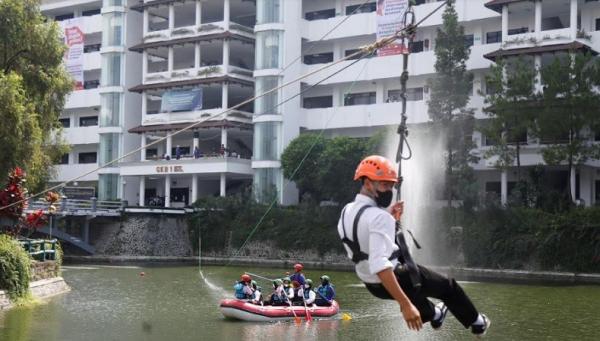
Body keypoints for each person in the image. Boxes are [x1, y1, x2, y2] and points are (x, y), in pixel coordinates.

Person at [338, 155, 490, 336]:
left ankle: (434, 315)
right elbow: (380, 265)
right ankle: (477, 323)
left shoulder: (347, 211)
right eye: (385, 185)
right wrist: (405, 305)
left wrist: (389, 216)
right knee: (448, 288)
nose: (389, 190)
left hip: (372, 285)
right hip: (396, 278)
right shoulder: (379, 217)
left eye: (391, 185)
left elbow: (363, 236)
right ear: (368, 183)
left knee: (417, 291)